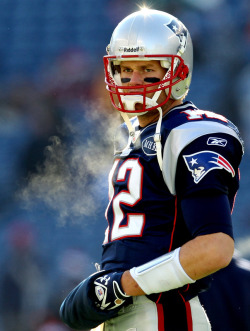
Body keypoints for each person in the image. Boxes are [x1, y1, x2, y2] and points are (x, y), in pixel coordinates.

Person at [59, 8, 244, 331]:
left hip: (165, 313)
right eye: (125, 70)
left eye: (148, 70)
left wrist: (122, 285)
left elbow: (215, 248)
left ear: (179, 71)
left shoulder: (192, 131)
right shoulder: (130, 136)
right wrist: (108, 289)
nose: (134, 81)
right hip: (129, 312)